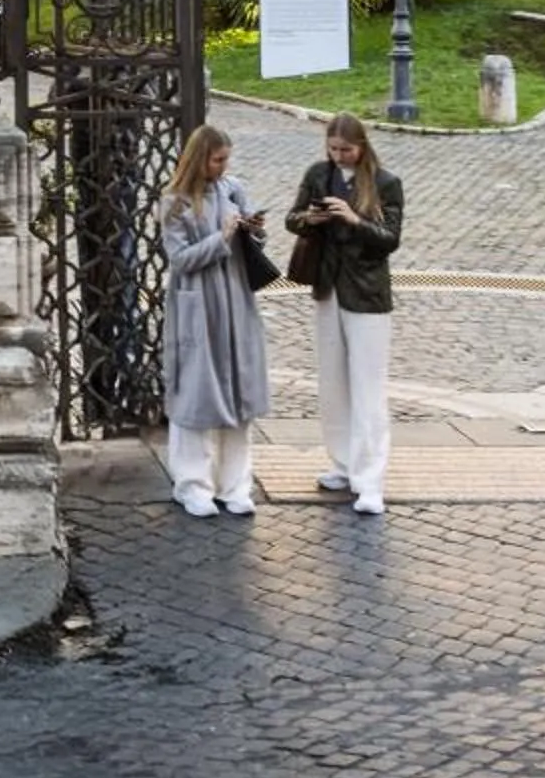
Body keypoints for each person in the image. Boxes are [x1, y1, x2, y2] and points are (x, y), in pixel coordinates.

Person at [286, 112, 404, 517]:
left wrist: (354, 220)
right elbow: (292, 219)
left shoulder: (385, 183)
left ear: (362, 146)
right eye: (333, 149)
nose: (339, 156)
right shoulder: (319, 174)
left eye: (346, 150)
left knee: (368, 388)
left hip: (367, 294)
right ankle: (342, 463)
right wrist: (310, 219)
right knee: (332, 380)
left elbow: (390, 239)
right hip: (327, 287)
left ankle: (370, 481)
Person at [162, 124, 273, 518]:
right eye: (217, 159)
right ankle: (192, 484)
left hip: (235, 300)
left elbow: (252, 244)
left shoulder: (232, 189)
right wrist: (220, 239)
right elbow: (180, 260)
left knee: (238, 392)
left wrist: (254, 232)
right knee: (197, 393)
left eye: (227, 159)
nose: (224, 166)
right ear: (200, 159)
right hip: (198, 306)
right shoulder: (175, 202)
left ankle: (235, 485)